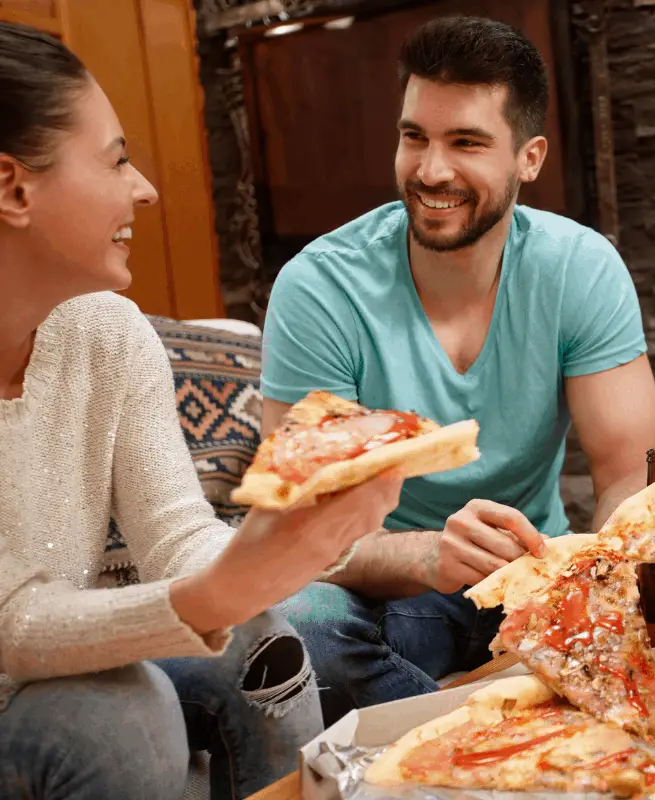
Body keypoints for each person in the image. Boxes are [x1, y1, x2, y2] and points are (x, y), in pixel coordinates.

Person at [0, 22, 405, 800]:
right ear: (14, 188)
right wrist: (215, 594)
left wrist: (268, 556)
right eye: (117, 159)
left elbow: (178, 536)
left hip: (55, 659)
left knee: (263, 637)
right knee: (124, 713)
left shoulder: (107, 333)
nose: (145, 188)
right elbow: (12, 625)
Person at [266, 15, 655, 722]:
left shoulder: (580, 267)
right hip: (392, 591)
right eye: (414, 136)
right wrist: (423, 557)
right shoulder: (321, 287)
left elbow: (628, 474)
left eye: (466, 142)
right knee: (300, 621)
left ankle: (466, 734)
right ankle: (508, 738)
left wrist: (593, 584)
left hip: (534, 573)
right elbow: (299, 529)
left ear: (529, 158)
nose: (430, 170)